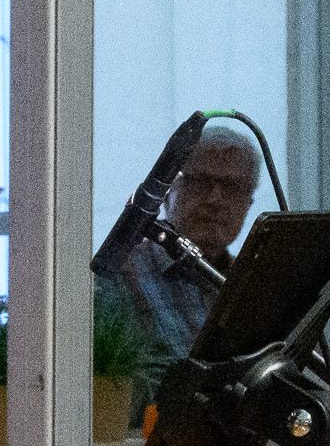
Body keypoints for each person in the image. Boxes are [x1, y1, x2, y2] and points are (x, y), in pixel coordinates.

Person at [95, 115, 263, 366]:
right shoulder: (120, 274)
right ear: (166, 193)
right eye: (201, 182)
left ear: (248, 205)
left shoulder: (254, 286)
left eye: (231, 187)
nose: (215, 199)